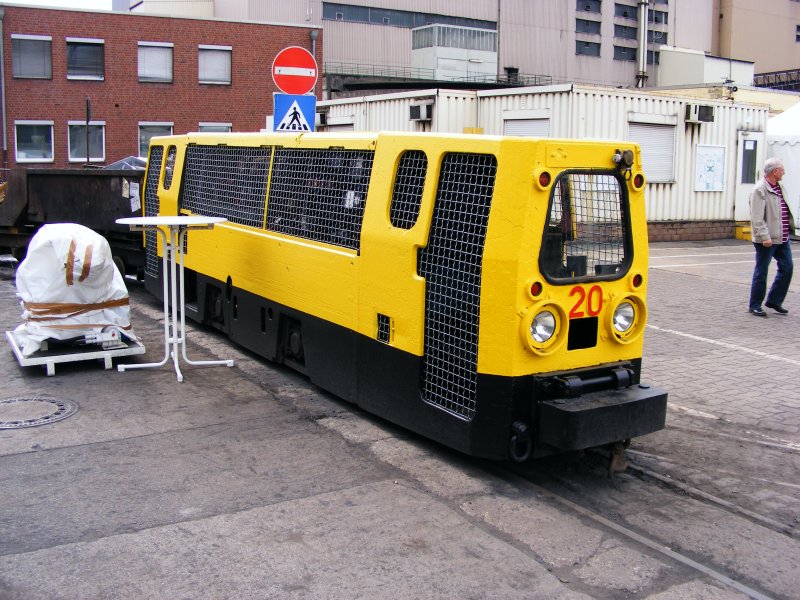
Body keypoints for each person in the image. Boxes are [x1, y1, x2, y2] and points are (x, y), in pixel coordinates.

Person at [748, 157, 795, 317]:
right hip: (767, 239)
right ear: (774, 171)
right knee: (761, 271)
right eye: (782, 169)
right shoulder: (760, 190)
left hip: (782, 237)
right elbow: (757, 217)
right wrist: (764, 236)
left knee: (787, 268)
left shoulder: (780, 187)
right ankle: (755, 305)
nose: (784, 172)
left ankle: (774, 300)